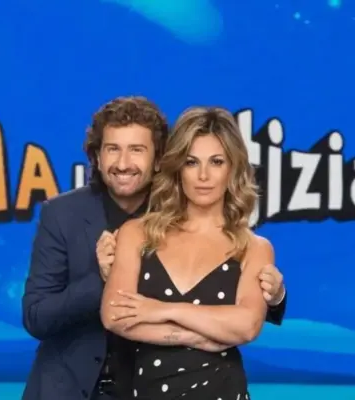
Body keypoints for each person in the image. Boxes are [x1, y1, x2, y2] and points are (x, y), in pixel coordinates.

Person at [22, 97, 286, 400]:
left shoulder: (176, 209)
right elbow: (37, 316)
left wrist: (276, 296)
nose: (123, 163)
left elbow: (240, 308)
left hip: (146, 386)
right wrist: (101, 278)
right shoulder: (64, 214)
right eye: (113, 149)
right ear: (96, 156)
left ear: (159, 158)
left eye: (136, 149)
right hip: (69, 387)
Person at [101, 106, 279, 399]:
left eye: (216, 162)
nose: (203, 175)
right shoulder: (137, 233)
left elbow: (247, 326)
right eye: (191, 162)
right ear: (177, 168)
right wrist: (198, 335)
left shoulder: (254, 248)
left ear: (232, 169)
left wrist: (163, 310)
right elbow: (114, 316)